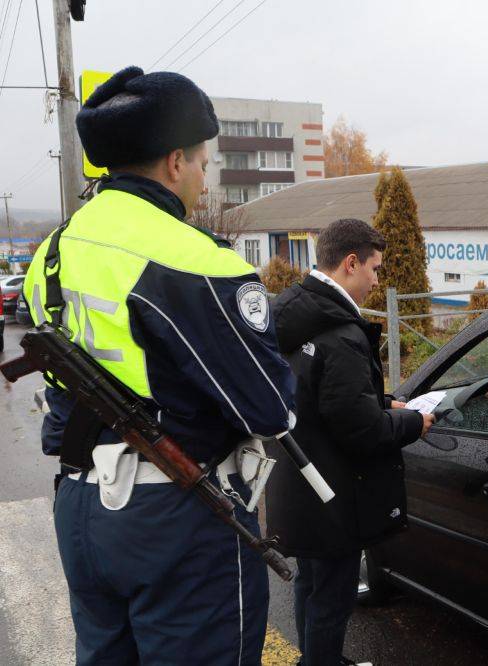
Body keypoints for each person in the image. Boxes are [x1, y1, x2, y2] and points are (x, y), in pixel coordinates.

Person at [22, 66, 295, 664]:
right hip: (177, 514)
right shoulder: (192, 258)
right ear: (175, 162)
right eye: (202, 162)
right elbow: (271, 408)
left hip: (80, 505)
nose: (203, 176)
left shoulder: (54, 248)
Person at [266, 218, 434, 666]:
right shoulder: (340, 332)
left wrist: (381, 403)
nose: (377, 281)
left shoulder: (294, 314)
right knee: (332, 598)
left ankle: (314, 659)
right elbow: (361, 430)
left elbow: (320, 397)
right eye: (374, 269)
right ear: (350, 262)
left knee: (310, 584)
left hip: (300, 481)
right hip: (334, 494)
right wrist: (413, 423)